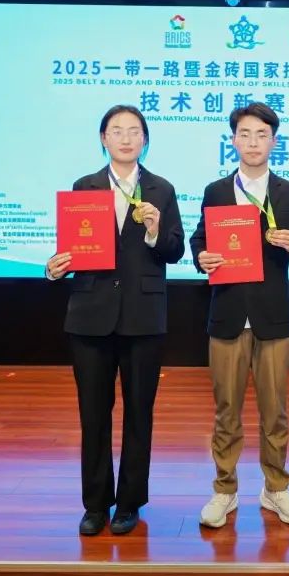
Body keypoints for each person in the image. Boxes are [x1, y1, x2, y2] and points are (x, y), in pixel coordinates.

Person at [45, 104, 184, 536]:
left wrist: (155, 231)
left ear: (145, 140)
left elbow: (176, 249)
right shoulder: (84, 187)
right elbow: (74, 248)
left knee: (139, 413)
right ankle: (95, 503)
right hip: (91, 314)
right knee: (93, 414)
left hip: (143, 316)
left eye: (134, 131)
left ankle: (129, 502)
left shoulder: (161, 189)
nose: (126, 138)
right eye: (117, 130)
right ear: (103, 139)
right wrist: (55, 267)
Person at [189, 102, 289, 528]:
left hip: (273, 317)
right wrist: (202, 257)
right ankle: (224, 489)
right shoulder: (216, 190)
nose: (252, 142)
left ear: (273, 142)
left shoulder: (288, 192)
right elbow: (199, 240)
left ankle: (276, 487)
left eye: (261, 135)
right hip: (227, 314)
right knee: (226, 409)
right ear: (233, 140)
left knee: (274, 410)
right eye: (244, 134)